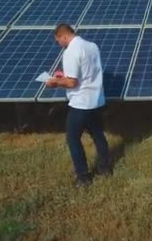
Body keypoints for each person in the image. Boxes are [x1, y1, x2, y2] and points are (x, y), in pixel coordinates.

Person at [46, 23, 110, 187]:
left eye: (58, 40)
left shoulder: (71, 52)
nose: (59, 44)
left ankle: (83, 177)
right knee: (97, 134)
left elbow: (72, 82)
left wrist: (55, 82)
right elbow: (87, 72)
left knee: (73, 138)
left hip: (81, 103)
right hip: (96, 99)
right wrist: (63, 76)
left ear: (63, 36)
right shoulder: (92, 46)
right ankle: (105, 169)